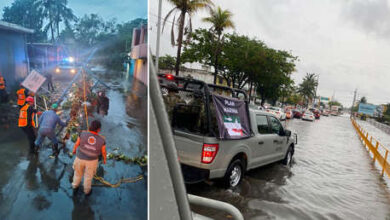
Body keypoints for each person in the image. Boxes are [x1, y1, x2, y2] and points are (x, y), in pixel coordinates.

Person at [72, 120, 107, 195]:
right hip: (92, 161)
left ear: (90, 127)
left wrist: (74, 150)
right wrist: (104, 159)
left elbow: (77, 144)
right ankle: (87, 191)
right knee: (88, 177)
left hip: (79, 158)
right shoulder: (102, 139)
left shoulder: (82, 133)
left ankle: (75, 186)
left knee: (77, 173)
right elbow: (103, 152)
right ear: (98, 129)